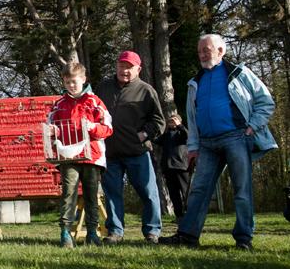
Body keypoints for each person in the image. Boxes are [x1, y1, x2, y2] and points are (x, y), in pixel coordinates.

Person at [160, 34, 277, 250]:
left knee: (242, 190)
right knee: (199, 189)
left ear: (221, 51)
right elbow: (192, 118)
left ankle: (243, 239)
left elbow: (266, 101)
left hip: (237, 137)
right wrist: (193, 147)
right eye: (200, 51)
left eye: (207, 49)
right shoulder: (195, 82)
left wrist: (253, 126)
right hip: (206, 144)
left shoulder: (240, 73)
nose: (203, 54)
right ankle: (188, 235)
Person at [94, 50, 165, 244]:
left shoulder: (146, 90)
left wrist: (143, 134)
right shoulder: (103, 88)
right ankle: (115, 232)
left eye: (129, 67)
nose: (124, 70)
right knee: (112, 194)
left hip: (137, 152)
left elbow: (159, 121)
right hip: (110, 153)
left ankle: (152, 232)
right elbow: (92, 112)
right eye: (121, 66)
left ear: (138, 69)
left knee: (148, 193)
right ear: (116, 66)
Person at [47, 62, 113, 248]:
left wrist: (92, 127)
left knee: (92, 195)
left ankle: (92, 232)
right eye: (67, 82)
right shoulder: (58, 105)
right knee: (69, 193)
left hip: (92, 156)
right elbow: (51, 126)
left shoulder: (95, 102)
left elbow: (108, 128)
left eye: (74, 81)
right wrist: (53, 132)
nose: (71, 85)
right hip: (68, 157)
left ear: (83, 80)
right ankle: (65, 233)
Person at [153, 113, 190, 221]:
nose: (171, 123)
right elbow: (156, 140)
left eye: (173, 120)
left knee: (186, 192)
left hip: (181, 167)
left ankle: (190, 214)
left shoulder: (181, 133)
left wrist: (179, 125)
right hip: (168, 168)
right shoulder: (166, 135)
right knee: (174, 194)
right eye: (170, 121)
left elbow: (187, 135)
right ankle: (179, 216)